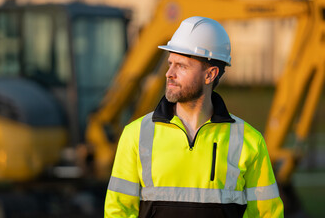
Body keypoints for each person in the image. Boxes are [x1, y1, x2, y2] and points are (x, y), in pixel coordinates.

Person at [104, 16, 284, 218]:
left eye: (181, 66)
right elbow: (118, 211)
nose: (169, 73)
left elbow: (267, 214)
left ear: (210, 74)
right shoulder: (135, 135)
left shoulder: (250, 142)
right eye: (170, 63)